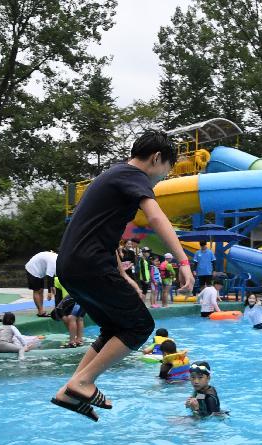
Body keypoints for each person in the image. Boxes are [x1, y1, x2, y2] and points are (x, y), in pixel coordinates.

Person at [52, 130, 194, 422]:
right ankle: (82, 382)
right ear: (156, 158)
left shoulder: (114, 176)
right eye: (167, 169)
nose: (163, 177)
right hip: (89, 264)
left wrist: (124, 276)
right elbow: (156, 218)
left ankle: (70, 389)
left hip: (72, 265)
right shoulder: (133, 176)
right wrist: (183, 261)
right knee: (140, 326)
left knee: (113, 330)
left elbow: (103, 234)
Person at [51, 276, 86, 348]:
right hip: (84, 297)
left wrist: (71, 333)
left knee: (71, 318)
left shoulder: (59, 310)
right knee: (79, 318)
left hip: (78, 299)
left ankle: (72, 341)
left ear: (57, 317)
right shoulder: (62, 307)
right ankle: (79, 340)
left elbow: (67, 321)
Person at [25, 250, 57, 317]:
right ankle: (40, 312)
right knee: (37, 290)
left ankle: (41, 310)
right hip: (32, 269)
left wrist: (52, 286)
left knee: (41, 290)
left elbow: (52, 275)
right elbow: (49, 276)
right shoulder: (54, 261)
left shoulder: (57, 259)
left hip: (39, 270)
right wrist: (49, 292)